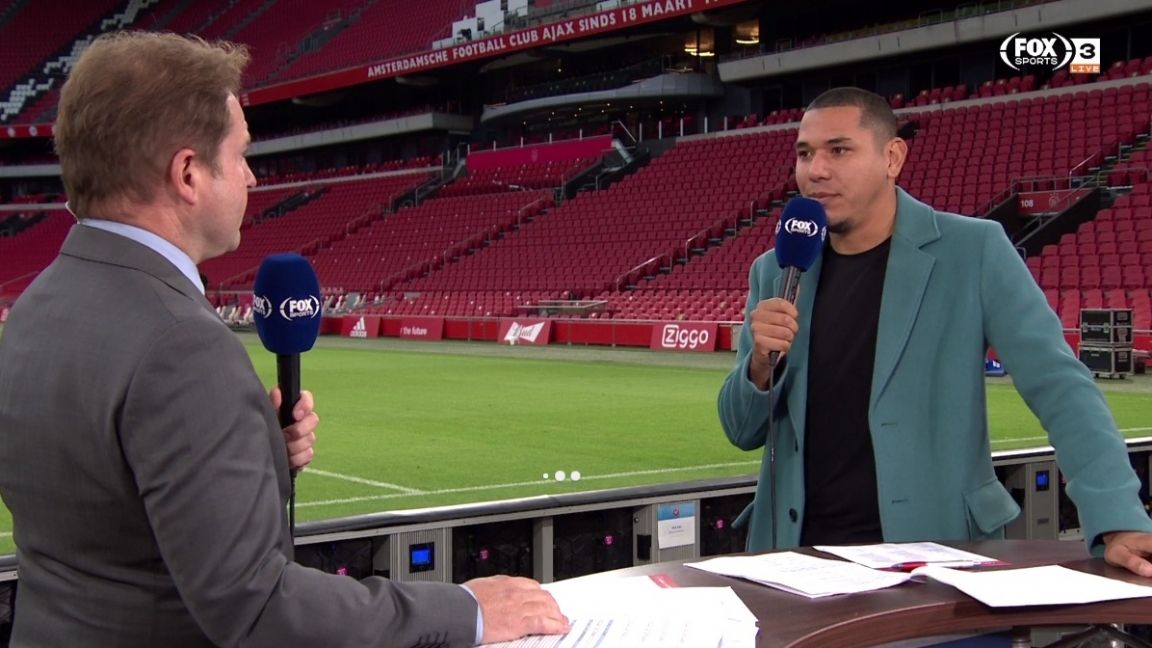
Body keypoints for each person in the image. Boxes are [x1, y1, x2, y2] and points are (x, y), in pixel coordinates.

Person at [0, 31, 568, 647]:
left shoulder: (33, 309)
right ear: (188, 174)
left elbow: (109, 516)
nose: (251, 176)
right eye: (240, 154)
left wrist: (251, 452)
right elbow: (257, 607)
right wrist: (465, 611)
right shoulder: (180, 344)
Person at [717, 86, 1152, 577]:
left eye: (838, 150)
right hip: (794, 563)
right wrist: (759, 366)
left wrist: (1118, 520)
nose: (815, 170)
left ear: (892, 157)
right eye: (804, 153)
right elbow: (741, 429)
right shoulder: (777, 270)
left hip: (934, 557)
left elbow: (1061, 388)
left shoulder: (973, 250)